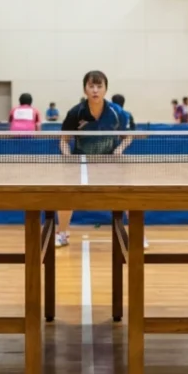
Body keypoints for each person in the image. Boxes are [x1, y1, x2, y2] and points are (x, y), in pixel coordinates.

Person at [56, 71, 131, 248]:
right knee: (67, 197)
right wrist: (67, 156)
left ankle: (136, 234)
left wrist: (119, 149)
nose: (95, 90)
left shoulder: (117, 112)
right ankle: (62, 233)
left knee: (127, 196)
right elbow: (64, 140)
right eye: (91, 86)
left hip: (109, 161)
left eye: (99, 86)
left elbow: (128, 137)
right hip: (81, 161)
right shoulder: (76, 112)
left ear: (106, 89)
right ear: (85, 89)